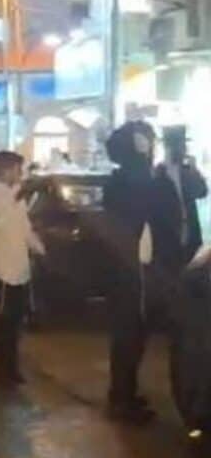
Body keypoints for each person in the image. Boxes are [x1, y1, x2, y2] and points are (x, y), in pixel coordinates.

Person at [103, 121, 178, 424]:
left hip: (128, 269)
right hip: (134, 270)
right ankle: (122, 398)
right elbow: (163, 217)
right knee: (129, 336)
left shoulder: (121, 181)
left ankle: (124, 393)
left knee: (131, 336)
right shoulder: (140, 181)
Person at [0, 151, 45, 390]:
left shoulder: (15, 198)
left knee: (15, 324)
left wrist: (40, 249)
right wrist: (19, 196)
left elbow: (25, 230)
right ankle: (1, 373)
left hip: (19, 270)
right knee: (2, 326)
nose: (21, 174)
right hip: (1, 271)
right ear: (6, 170)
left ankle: (12, 369)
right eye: (19, 170)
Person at [155, 125, 207, 267]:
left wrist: (194, 169)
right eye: (180, 145)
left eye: (184, 145)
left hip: (191, 234)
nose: (184, 149)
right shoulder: (158, 173)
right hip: (169, 236)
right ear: (169, 147)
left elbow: (202, 192)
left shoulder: (187, 171)